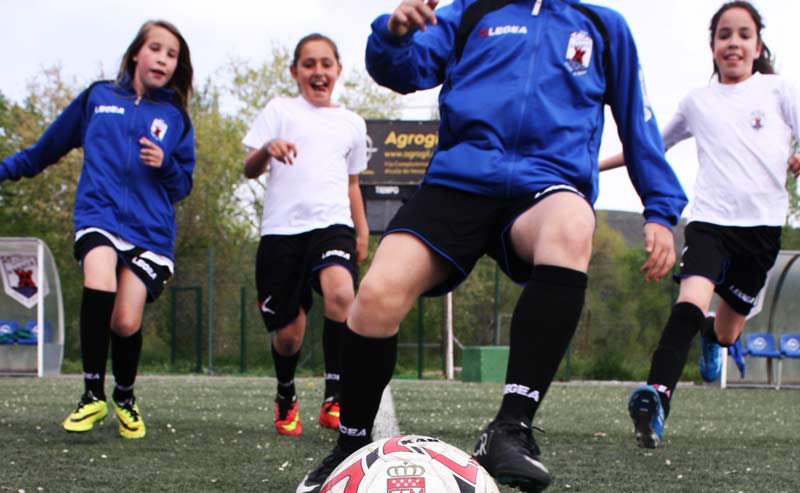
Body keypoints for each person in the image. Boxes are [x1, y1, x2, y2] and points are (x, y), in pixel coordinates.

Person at [297, 1, 686, 491]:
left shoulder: (604, 26)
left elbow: (639, 123)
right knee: (374, 296)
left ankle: (510, 428)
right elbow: (403, 69)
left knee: (572, 224)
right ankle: (350, 447)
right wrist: (394, 34)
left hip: (545, 186)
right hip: (457, 185)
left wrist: (660, 209)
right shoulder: (471, 10)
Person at [600, 0, 800, 450]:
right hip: (709, 222)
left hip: (762, 231)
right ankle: (656, 399)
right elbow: (649, 146)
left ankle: (714, 337)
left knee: (727, 331)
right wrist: (591, 167)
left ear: (758, 44)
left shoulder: (779, 91)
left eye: (743, 34)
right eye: (724, 34)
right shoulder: (698, 101)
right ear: (712, 46)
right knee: (688, 303)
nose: (734, 43)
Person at [0, 20, 196, 439]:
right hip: (99, 216)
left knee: (125, 322)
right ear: (136, 54)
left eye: (172, 54)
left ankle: (123, 396)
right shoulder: (98, 98)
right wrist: (6, 171)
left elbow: (183, 185)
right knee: (99, 274)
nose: (163, 58)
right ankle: (92, 394)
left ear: (177, 65)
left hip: (150, 232)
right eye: (156, 48)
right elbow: (44, 150)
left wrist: (165, 164)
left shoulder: (175, 117)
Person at [242, 33, 369, 437]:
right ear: (295, 71)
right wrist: (267, 148)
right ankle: (285, 393)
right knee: (288, 334)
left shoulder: (351, 123)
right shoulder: (279, 110)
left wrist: (360, 230)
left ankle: (334, 395)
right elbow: (249, 168)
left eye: (326, 63)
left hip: (332, 226)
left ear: (338, 70)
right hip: (282, 233)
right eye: (309, 64)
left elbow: (352, 184)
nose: (319, 71)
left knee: (341, 296)